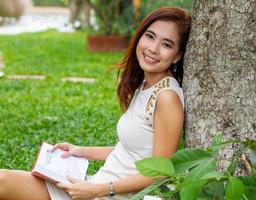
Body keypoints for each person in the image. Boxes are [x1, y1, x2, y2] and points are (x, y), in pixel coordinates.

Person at [0, 6, 191, 200]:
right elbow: (130, 153)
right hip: (95, 186)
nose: (153, 48)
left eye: (166, 44)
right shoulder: (146, 85)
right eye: (150, 36)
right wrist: (81, 151)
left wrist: (98, 190)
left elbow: (160, 171)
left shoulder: (167, 97)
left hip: (108, 194)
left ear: (177, 55)